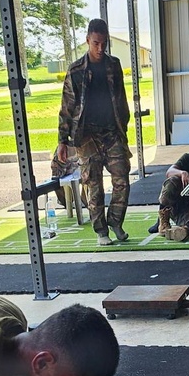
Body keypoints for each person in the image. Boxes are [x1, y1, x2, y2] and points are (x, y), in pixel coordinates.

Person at [56, 18, 131, 247]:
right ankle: (101, 231)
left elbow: (121, 99)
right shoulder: (76, 70)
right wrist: (62, 140)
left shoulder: (114, 65)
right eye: (96, 43)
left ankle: (116, 221)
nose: (100, 48)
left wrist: (123, 127)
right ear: (88, 40)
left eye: (104, 43)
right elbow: (66, 106)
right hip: (86, 136)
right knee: (93, 184)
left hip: (112, 132)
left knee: (122, 180)